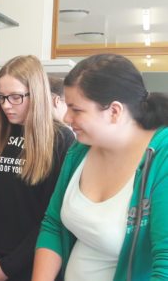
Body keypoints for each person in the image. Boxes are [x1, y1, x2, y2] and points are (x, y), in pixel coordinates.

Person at [33, 54, 168, 281]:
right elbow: (53, 225)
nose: (66, 117)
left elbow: (164, 265)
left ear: (114, 111)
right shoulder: (80, 149)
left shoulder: (160, 158)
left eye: (76, 109)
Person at [0, 55, 74, 281]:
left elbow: (52, 218)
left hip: (31, 264)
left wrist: (7, 267)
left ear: (37, 94)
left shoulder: (60, 140)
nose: (5, 105)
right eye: (0, 97)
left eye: (15, 97)